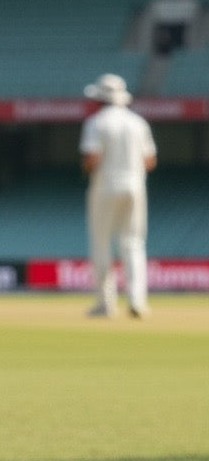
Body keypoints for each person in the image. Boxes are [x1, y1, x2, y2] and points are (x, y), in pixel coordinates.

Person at [80, 73, 157, 319]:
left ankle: (105, 303)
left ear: (99, 99)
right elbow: (149, 160)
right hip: (135, 185)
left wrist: (90, 168)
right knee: (133, 243)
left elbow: (92, 158)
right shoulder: (138, 122)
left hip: (105, 186)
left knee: (101, 243)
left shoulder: (96, 123)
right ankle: (137, 301)